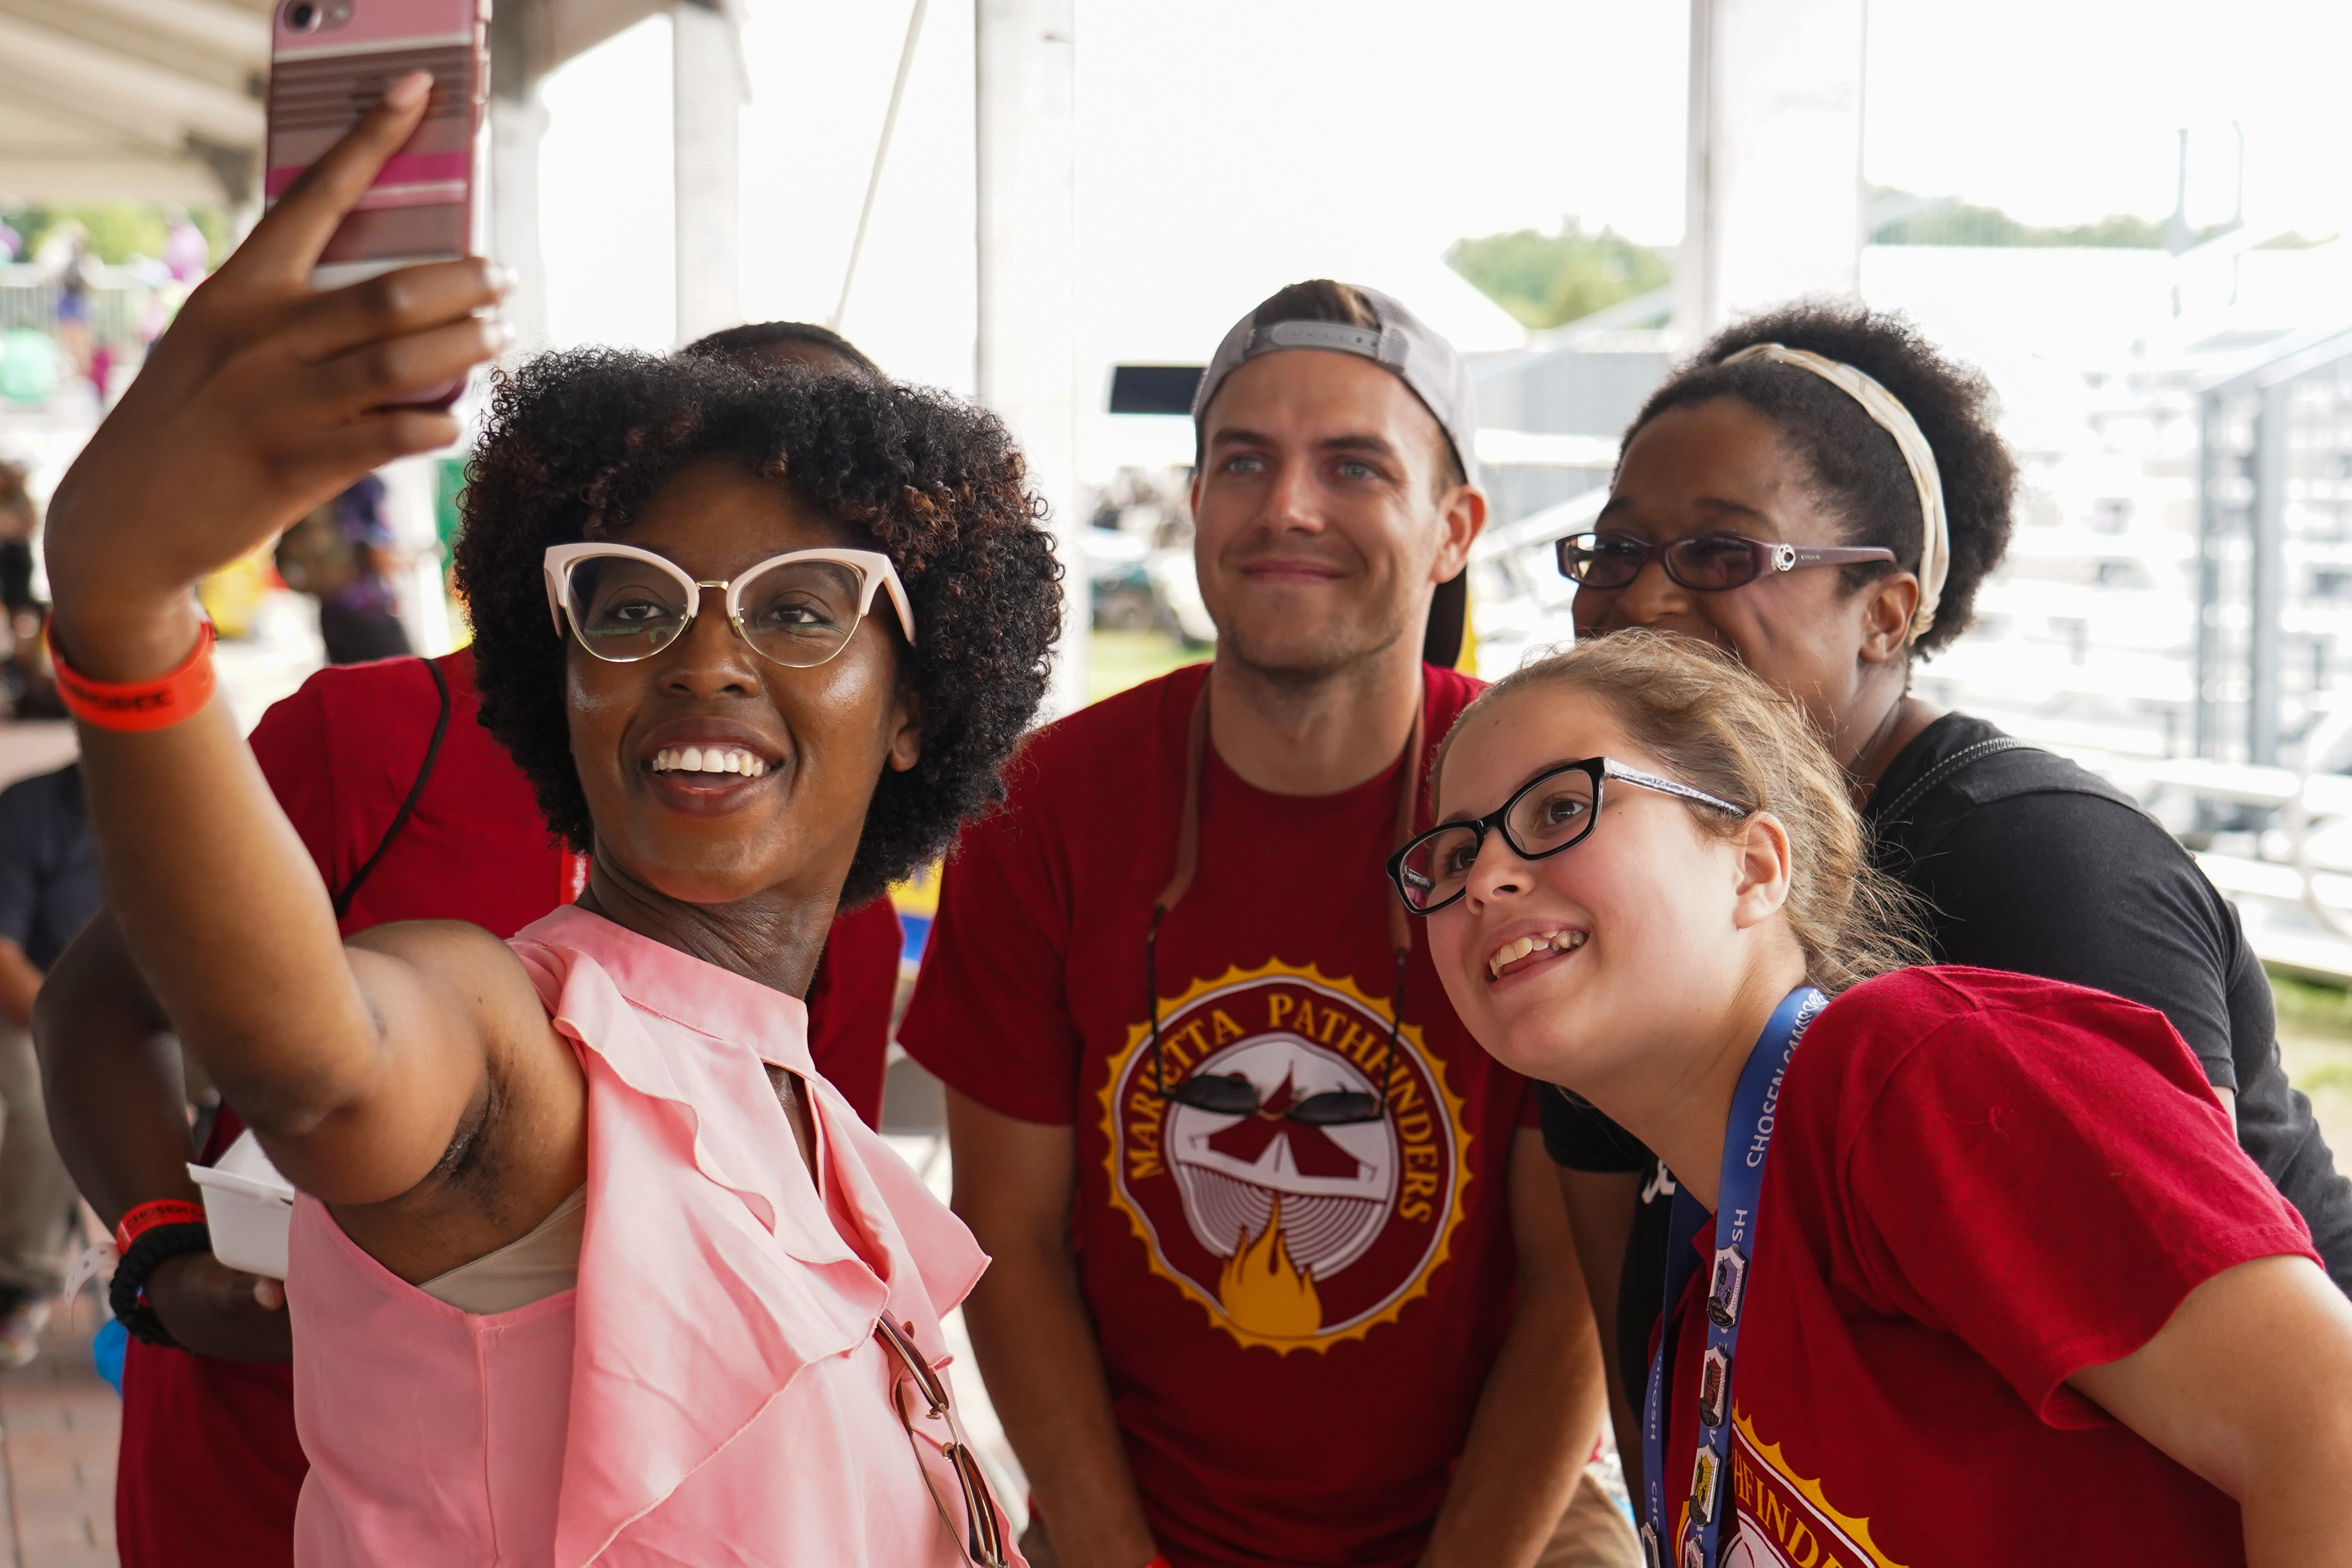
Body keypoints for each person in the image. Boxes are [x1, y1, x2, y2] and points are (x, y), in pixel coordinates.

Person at [33, 79, 1058, 1563]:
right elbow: (326, 1067)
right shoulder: (516, 1038)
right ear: (558, 670)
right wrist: (129, 624)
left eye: (804, 605)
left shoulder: (806, 1109)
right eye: (633, 604)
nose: (706, 654)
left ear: (917, 704)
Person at [1539, 303, 2352, 1496]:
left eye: (1720, 554)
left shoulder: (2038, 871)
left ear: (1886, 611)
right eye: (1613, 550)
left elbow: (2251, 1423)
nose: (1644, 600)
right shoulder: (1631, 889)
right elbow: (1644, 1336)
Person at [899, 280, 1634, 1568]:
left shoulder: (1534, 805)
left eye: (1352, 466)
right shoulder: (1046, 809)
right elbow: (1005, 1235)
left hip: (1494, 1519)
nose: (1285, 505)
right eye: (1243, 460)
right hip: (1134, 1508)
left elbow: (1570, 1282)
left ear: (1454, 527)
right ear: (1194, 506)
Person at [1406, 629, 2352, 1565]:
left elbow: (2329, 1425)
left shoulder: (1908, 1071)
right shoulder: (1709, 1286)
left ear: (1754, 866)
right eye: (1448, 858)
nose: (1484, 879)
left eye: (1561, 806)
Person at [0, 763, 99, 1363]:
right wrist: (77, 1031)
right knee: (49, 1105)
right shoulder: (32, 810)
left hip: (151, 1011)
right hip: (29, 1007)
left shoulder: (190, 804)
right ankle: (20, 1281)